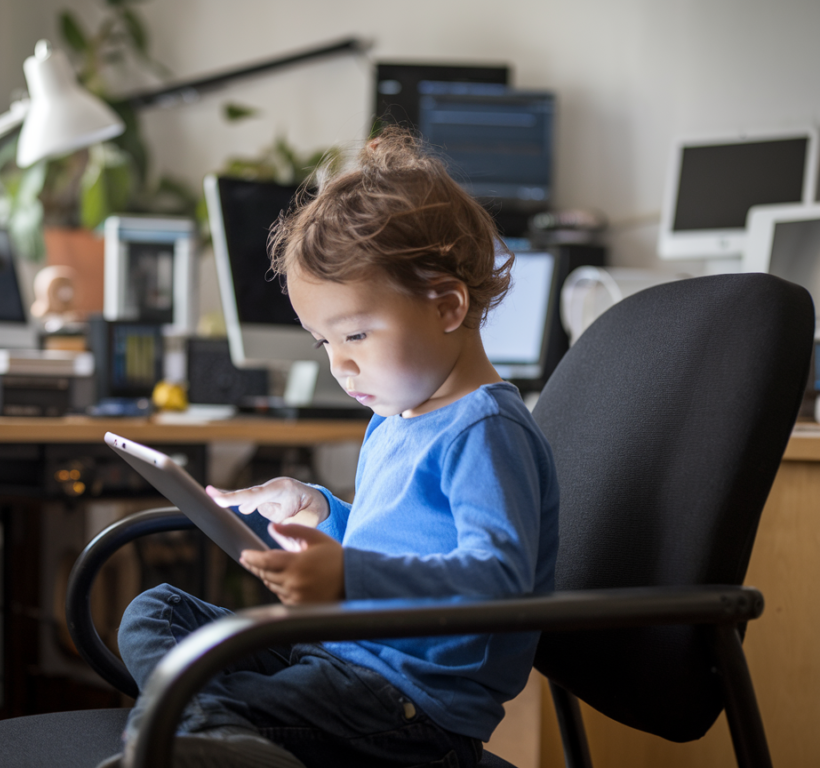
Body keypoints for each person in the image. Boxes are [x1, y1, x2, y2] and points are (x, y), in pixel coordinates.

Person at [110, 128, 560, 768]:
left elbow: (498, 581)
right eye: (325, 344)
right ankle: (210, 735)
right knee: (159, 613)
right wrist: (322, 511)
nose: (340, 368)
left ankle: (193, 738)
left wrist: (347, 577)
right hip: (338, 657)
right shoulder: (398, 418)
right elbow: (403, 546)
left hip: (406, 708)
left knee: (201, 683)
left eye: (355, 335)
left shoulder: (485, 429)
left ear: (448, 306)